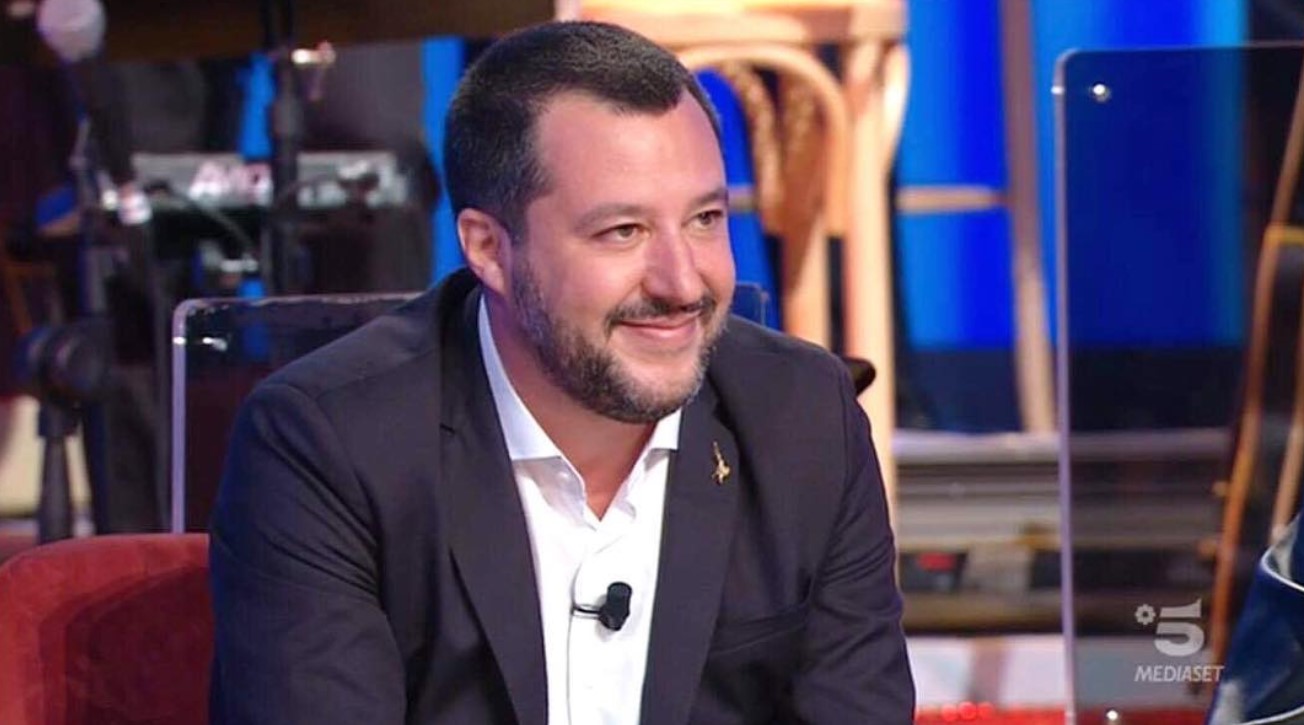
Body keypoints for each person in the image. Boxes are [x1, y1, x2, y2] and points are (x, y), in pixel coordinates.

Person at [209, 20, 913, 724]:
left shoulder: (804, 423)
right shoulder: (329, 445)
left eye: (704, 219)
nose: (681, 282)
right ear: (489, 249)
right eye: (623, 232)